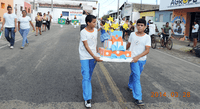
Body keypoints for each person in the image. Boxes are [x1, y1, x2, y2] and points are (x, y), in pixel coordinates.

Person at [79, 15, 102, 108]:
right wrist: (94, 56)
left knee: (89, 75)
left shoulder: (96, 31)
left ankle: (87, 87)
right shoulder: (83, 32)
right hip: (84, 56)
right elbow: (86, 46)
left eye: (95, 22)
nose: (95, 24)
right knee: (86, 75)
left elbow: (94, 43)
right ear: (88, 23)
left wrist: (96, 53)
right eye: (93, 22)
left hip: (93, 56)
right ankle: (87, 98)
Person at [126, 18, 151, 106]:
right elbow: (128, 45)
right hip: (133, 59)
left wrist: (138, 57)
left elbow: (147, 50)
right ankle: (138, 98)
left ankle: (130, 85)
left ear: (145, 27)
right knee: (137, 77)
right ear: (136, 26)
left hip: (142, 60)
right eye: (138, 25)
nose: (139, 27)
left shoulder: (147, 37)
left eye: (141, 25)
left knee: (135, 74)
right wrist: (122, 52)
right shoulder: (132, 34)